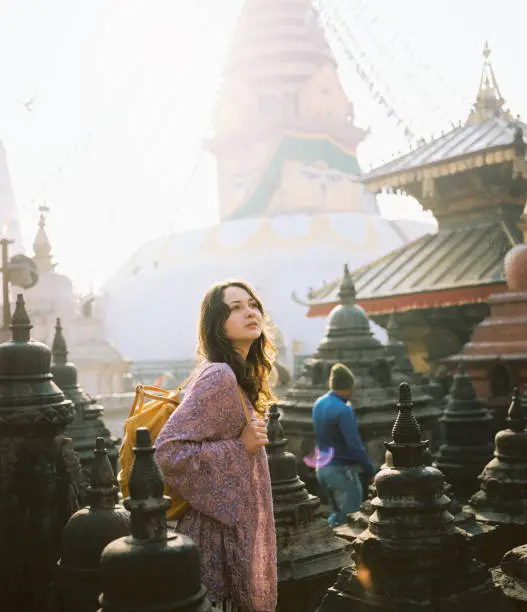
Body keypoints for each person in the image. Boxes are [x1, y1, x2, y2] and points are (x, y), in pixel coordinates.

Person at [155, 280, 277, 612]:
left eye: (252, 304)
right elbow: (168, 452)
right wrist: (241, 447)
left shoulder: (234, 375)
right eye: (235, 307)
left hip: (229, 529)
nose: (249, 312)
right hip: (216, 538)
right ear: (216, 324)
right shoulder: (219, 376)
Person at [312, 363, 374, 528]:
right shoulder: (344, 410)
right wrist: (370, 470)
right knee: (349, 518)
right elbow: (355, 445)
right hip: (342, 471)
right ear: (347, 387)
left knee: (337, 514)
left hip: (322, 469)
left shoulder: (319, 403)